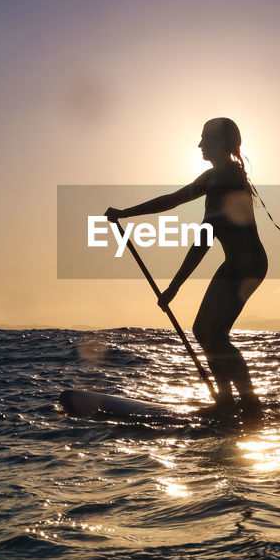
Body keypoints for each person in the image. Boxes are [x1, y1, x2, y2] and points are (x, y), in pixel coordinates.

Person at [106, 118, 267, 420]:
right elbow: (173, 200)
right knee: (206, 330)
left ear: (219, 142)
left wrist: (174, 287)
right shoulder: (215, 176)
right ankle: (230, 402)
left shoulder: (224, 178)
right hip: (237, 263)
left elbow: (203, 241)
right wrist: (126, 214)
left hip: (247, 265)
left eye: (204, 138)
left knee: (213, 332)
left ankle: (247, 404)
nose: (199, 144)